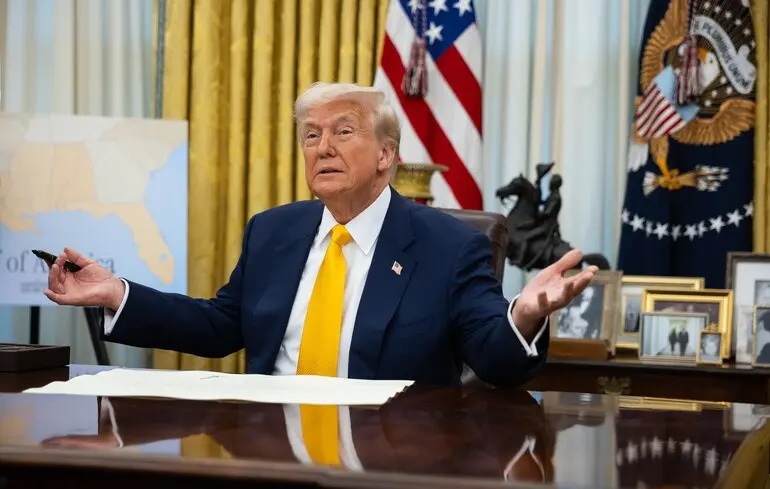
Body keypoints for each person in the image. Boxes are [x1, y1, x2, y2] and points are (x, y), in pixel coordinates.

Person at [43, 82, 596, 387]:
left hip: (389, 457)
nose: (322, 147)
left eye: (343, 131)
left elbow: (495, 360)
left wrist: (525, 316)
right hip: (268, 447)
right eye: (310, 136)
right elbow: (220, 326)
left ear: (386, 155)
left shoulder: (449, 246)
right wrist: (117, 294)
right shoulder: (273, 230)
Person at [515, 175, 563, 266]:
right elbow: (540, 202)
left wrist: (538, 214)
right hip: (543, 223)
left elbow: (547, 212)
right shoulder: (552, 196)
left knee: (527, 238)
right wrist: (538, 185)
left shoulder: (555, 197)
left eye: (551, 182)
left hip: (547, 226)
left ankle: (520, 259)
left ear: (554, 184)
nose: (549, 184)